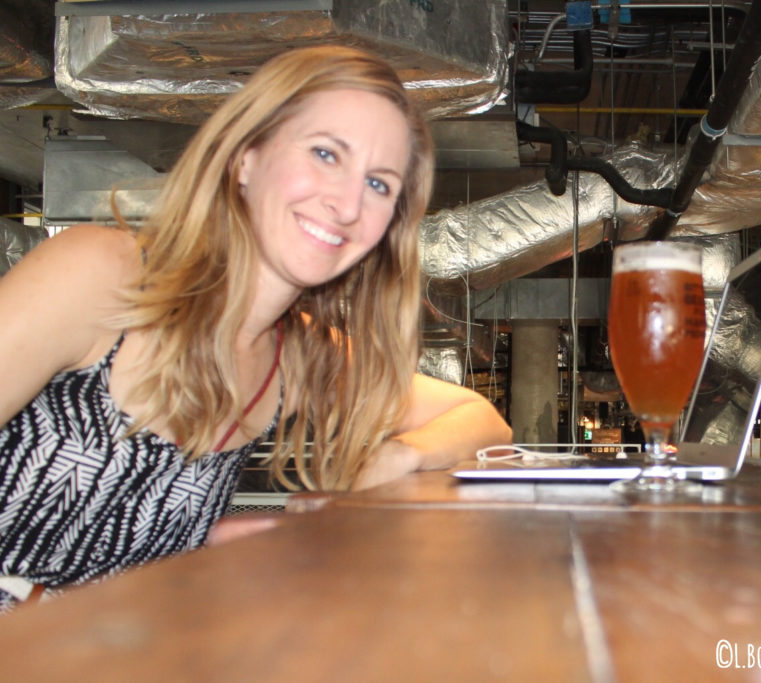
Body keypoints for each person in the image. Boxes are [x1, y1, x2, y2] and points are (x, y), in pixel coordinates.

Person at [0, 45, 512, 611]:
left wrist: (398, 458)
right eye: (324, 153)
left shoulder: (296, 354)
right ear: (246, 157)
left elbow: (479, 418)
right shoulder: (104, 278)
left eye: (379, 185)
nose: (346, 203)